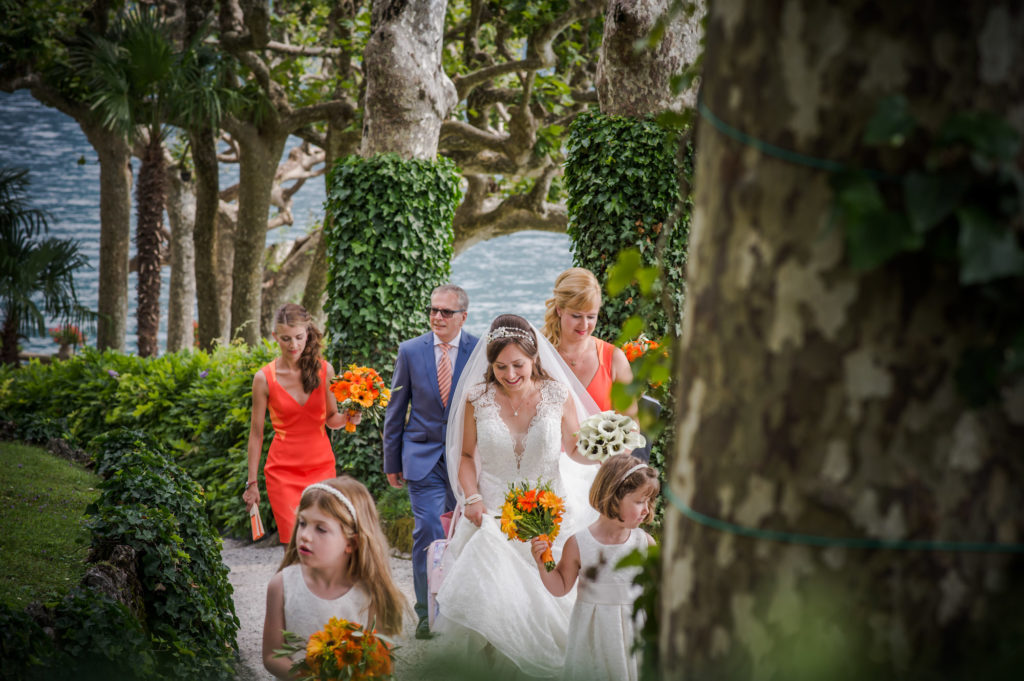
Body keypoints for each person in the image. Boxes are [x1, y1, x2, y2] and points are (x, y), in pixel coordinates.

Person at [433, 314, 601, 678]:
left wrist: (607, 449)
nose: (510, 375)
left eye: (518, 365)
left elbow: (574, 449)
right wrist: (472, 497)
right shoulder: (477, 398)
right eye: (501, 366)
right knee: (491, 602)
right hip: (493, 517)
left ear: (535, 358)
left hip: (552, 516)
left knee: (556, 602)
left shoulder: (557, 394)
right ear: (490, 365)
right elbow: (464, 457)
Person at [382, 284, 479, 639]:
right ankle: (427, 613)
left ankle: (462, 608)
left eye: (446, 312)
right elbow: (396, 410)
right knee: (428, 530)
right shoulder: (410, 351)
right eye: (433, 310)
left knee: (466, 532)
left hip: (467, 459)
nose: (437, 317)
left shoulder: (480, 349)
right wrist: (391, 461)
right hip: (422, 458)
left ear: (463, 317)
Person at [261, 476, 407, 679]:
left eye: (321, 528)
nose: (304, 535)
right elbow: (272, 656)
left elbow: (382, 660)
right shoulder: (282, 586)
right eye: (303, 523)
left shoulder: (370, 593)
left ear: (351, 543)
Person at [530, 455, 659, 681]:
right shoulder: (579, 543)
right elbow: (560, 586)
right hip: (593, 634)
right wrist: (544, 564)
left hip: (633, 631)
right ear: (614, 496)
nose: (647, 510)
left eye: (649, 502)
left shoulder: (644, 543)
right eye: (640, 501)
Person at [243, 303, 360, 544]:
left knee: (326, 542)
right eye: (286, 339)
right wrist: (252, 484)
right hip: (282, 473)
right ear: (275, 336)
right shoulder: (264, 379)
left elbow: (332, 420)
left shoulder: (325, 370)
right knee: (294, 546)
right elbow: (256, 435)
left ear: (308, 333)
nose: (293, 345)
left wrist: (349, 417)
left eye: (298, 337)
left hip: (322, 469)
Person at [542, 267, 634, 414]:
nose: (584, 325)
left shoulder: (613, 358)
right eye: (576, 316)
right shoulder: (540, 356)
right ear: (559, 309)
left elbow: (631, 425)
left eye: (591, 317)